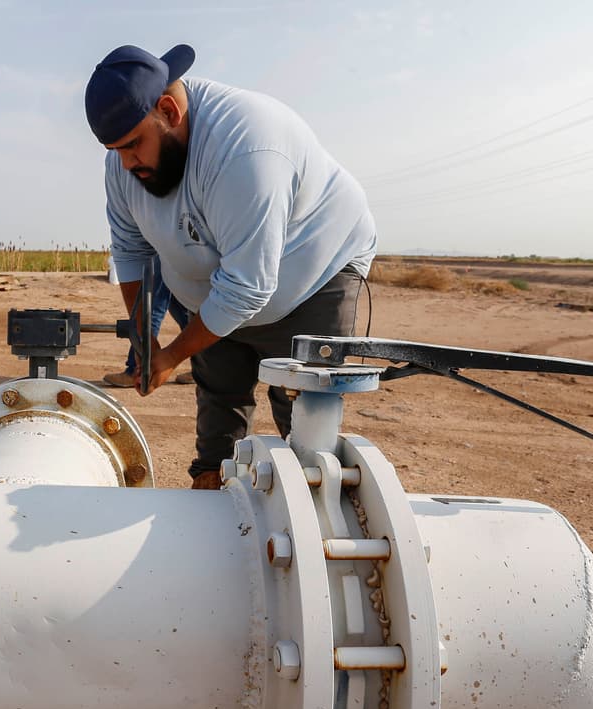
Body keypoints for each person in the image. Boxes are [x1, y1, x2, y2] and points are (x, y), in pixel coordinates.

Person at [85, 43, 376, 489]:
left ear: (169, 110)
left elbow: (246, 287)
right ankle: (212, 489)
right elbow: (131, 251)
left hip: (312, 277)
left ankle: (311, 508)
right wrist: (145, 340)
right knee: (220, 393)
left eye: (132, 146)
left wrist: (171, 356)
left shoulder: (248, 148)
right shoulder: (121, 163)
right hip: (212, 289)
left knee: (300, 408)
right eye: (114, 149)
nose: (126, 163)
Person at [102, 254, 195, 387]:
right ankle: (205, 365)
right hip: (171, 252)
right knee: (178, 308)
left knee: (151, 307)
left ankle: (136, 371)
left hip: (162, 251)